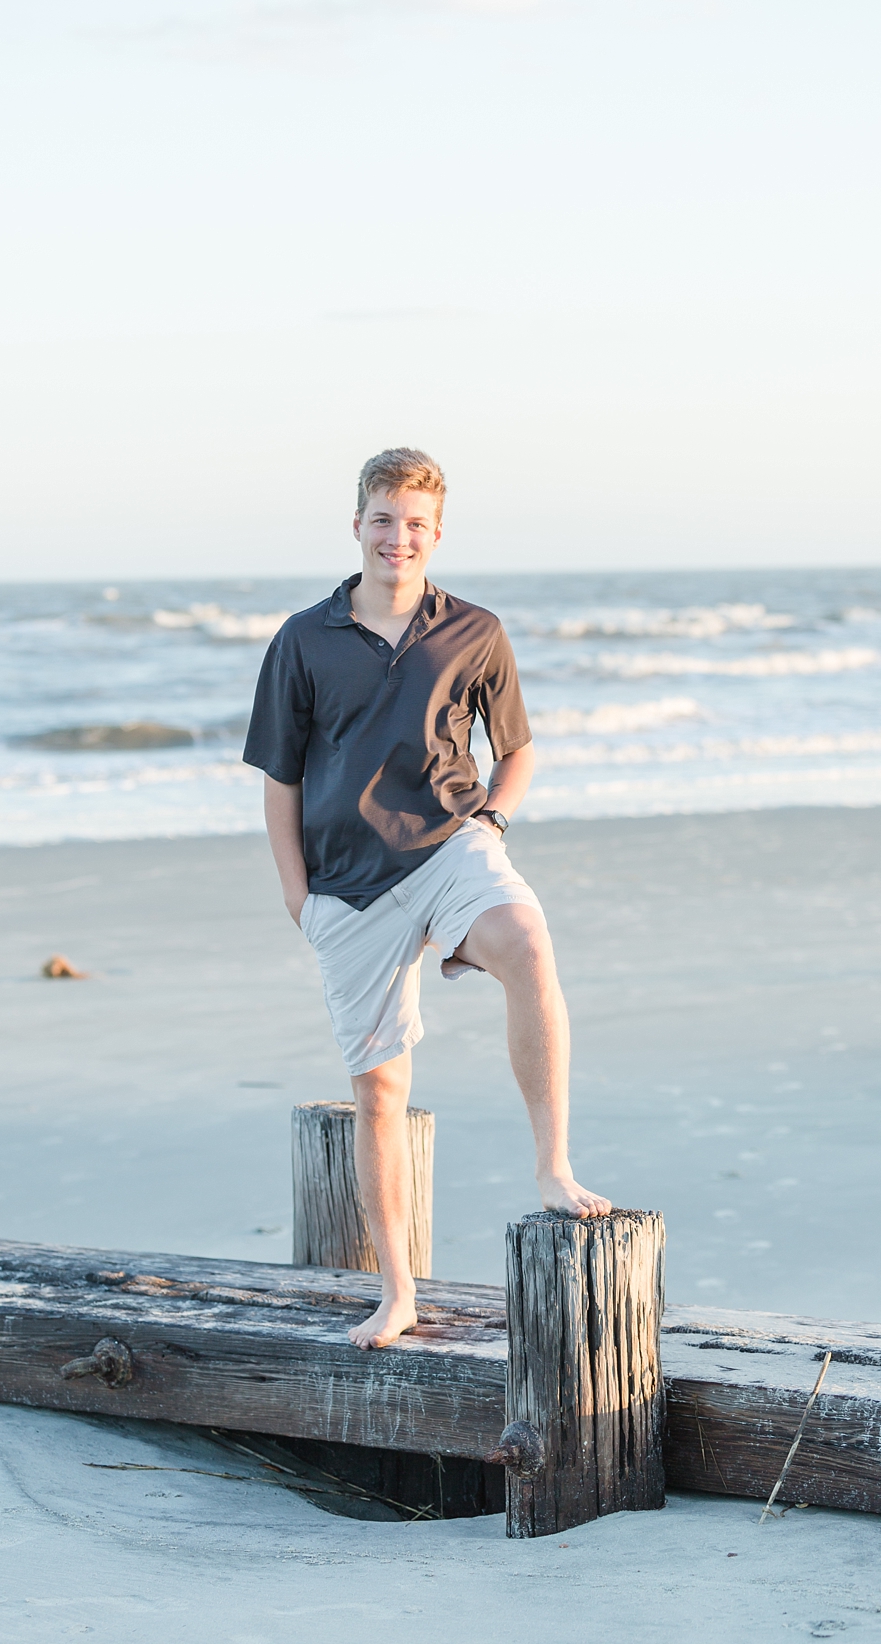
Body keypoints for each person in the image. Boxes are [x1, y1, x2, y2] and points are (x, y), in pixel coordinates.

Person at [243, 449, 611, 1349]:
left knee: (525, 940)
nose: (396, 536)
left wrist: (494, 819)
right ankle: (399, 1291)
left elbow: (517, 748)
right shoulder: (303, 638)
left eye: (414, 523)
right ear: (357, 525)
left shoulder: (475, 630)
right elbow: (279, 780)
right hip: (347, 886)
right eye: (381, 518)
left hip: (451, 848)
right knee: (380, 1090)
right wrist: (301, 900)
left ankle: (554, 1167)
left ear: (435, 533)